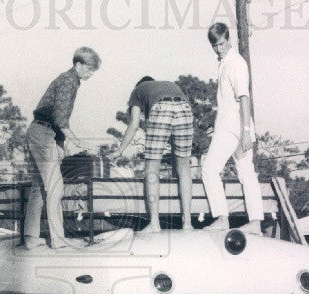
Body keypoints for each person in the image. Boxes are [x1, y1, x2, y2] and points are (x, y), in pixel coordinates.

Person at [24, 46, 101, 249]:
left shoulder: (67, 79)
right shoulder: (69, 81)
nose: (91, 73)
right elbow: (60, 118)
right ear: (78, 64)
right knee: (55, 186)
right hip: (43, 133)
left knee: (40, 188)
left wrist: (61, 143)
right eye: (90, 68)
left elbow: (55, 116)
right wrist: (79, 142)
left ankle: (31, 239)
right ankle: (58, 239)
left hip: (42, 132)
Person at [201, 22, 266, 230]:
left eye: (221, 44)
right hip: (229, 125)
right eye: (215, 46)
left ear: (228, 39)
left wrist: (246, 132)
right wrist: (216, 125)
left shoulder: (236, 63)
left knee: (209, 169)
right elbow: (227, 102)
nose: (218, 49)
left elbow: (244, 98)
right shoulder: (224, 63)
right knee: (246, 173)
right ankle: (255, 222)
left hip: (235, 127)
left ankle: (222, 218)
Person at [111, 76, 194, 231]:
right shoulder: (169, 84)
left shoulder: (137, 90)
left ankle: (155, 224)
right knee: (184, 169)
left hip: (161, 108)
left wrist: (120, 150)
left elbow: (134, 124)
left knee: (152, 169)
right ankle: (188, 223)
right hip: (185, 108)